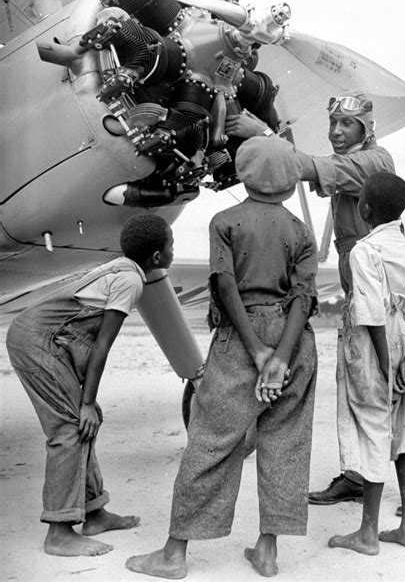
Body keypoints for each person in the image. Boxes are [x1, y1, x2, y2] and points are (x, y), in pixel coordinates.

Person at [225, 90, 405, 516]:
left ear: (367, 128)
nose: (337, 132)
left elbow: (309, 167)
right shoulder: (351, 162)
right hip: (355, 281)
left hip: (384, 287)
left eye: (348, 125)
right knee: (358, 381)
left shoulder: (377, 163)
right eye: (334, 124)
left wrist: (265, 136)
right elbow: (315, 168)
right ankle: (360, 474)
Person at [126, 135, 318, 579]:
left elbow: (226, 285)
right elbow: (304, 297)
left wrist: (256, 349)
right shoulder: (301, 231)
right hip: (296, 342)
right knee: (286, 443)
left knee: (211, 440)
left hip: (241, 337)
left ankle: (175, 555)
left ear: (244, 174)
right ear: (291, 183)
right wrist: (281, 357)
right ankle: (267, 551)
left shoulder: (225, 221)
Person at [6, 214, 175, 557]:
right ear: (157, 257)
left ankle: (94, 513)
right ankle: (59, 532)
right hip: (37, 342)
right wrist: (85, 402)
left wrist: (87, 400)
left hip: (50, 342)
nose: (173, 250)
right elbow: (101, 343)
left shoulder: (120, 268)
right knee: (69, 429)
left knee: (85, 425)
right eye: (171, 245)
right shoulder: (131, 282)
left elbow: (77, 336)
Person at [328, 171, 405, 555]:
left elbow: (370, 313)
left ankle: (368, 534)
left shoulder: (364, 251)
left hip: (376, 343)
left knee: (374, 424)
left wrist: (388, 365)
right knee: (399, 431)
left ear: (364, 208)